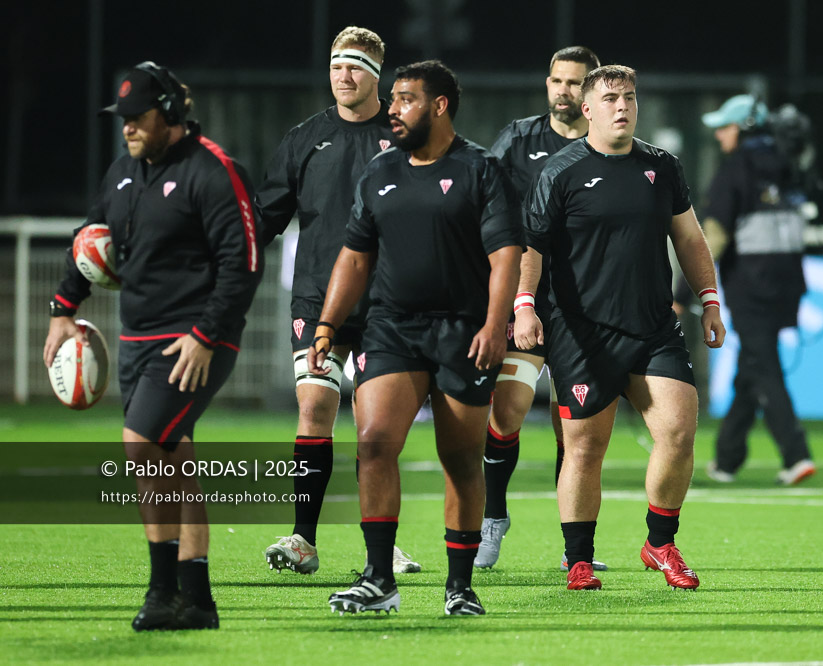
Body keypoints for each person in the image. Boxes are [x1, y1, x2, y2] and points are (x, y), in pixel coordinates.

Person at [43, 62, 262, 630]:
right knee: (172, 458)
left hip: (195, 340)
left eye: (137, 118)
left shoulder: (214, 171)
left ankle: (162, 593)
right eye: (122, 120)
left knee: (142, 443)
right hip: (136, 338)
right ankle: (198, 600)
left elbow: (244, 263)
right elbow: (90, 241)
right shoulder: (122, 172)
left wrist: (206, 335)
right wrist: (63, 310)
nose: (127, 129)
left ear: (169, 113)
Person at [308, 60, 523, 616]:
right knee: (375, 441)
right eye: (394, 99)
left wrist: (495, 325)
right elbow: (354, 258)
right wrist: (328, 325)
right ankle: (380, 579)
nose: (394, 109)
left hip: (463, 332)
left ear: (440, 105)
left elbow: (506, 258)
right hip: (392, 328)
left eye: (405, 99)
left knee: (459, 458)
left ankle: (459, 586)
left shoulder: (482, 170)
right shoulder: (379, 172)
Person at [519, 65, 725, 591]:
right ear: (587, 109)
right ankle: (579, 558)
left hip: (653, 327)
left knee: (679, 432)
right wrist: (525, 306)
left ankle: (661, 543)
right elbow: (533, 249)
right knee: (586, 448)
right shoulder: (560, 172)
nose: (622, 106)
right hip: (582, 334)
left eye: (629, 97)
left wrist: (710, 301)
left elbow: (691, 240)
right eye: (610, 98)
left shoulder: (662, 167)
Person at [256, 25, 421, 577]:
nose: (342, 76)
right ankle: (304, 538)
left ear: (377, 75)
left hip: (387, 306)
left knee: (376, 430)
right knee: (314, 410)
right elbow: (264, 219)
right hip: (317, 305)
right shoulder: (304, 139)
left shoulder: (405, 137)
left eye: (353, 67)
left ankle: (384, 543)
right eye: (335, 65)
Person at [476, 46, 607, 572]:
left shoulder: (610, 148)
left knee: (571, 430)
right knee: (506, 409)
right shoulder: (519, 139)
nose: (562, 90)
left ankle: (573, 549)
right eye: (556, 79)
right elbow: (484, 201)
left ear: (592, 90)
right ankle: (493, 518)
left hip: (583, 309)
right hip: (522, 302)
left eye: (574, 83)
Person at [700, 94, 815, 486]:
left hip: (750, 285)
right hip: (789, 284)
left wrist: (685, 291)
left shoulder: (736, 169)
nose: (718, 135)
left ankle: (796, 454)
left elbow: (713, 235)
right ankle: (728, 459)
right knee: (751, 367)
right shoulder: (789, 165)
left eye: (725, 126)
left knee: (765, 368)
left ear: (744, 127)